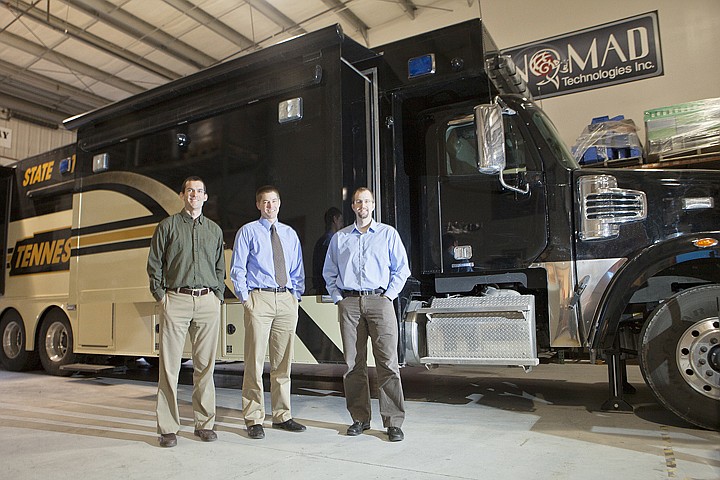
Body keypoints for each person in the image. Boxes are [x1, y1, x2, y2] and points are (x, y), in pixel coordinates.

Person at [323, 187, 410, 442]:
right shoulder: (340, 238)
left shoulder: (387, 234)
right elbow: (329, 272)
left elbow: (401, 270)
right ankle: (360, 419)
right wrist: (339, 299)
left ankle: (393, 422)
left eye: (367, 201)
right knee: (352, 364)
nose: (363, 205)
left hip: (380, 301)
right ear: (352, 206)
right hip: (349, 302)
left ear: (373, 205)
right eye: (358, 201)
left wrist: (388, 296)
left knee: (388, 362)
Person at [147, 176, 226, 448]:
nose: (194, 195)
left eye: (200, 191)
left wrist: (217, 296)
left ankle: (204, 424)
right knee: (169, 367)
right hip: (176, 301)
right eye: (190, 190)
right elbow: (154, 264)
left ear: (206, 197)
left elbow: (219, 267)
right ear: (182, 195)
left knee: (206, 367)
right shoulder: (167, 226)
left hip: (207, 302)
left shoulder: (214, 230)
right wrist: (162, 297)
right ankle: (168, 428)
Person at [230, 185, 306, 440]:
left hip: (285, 298)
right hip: (259, 298)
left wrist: (295, 295)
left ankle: (282, 415)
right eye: (265, 202)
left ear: (279, 204)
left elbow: (297, 268)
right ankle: (254, 418)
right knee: (254, 362)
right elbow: (237, 268)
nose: (269, 206)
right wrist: (246, 299)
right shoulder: (248, 232)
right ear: (258, 205)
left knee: (283, 361)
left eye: (273, 201)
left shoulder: (289, 233)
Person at [311, 207, 343, 294]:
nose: (342, 225)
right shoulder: (330, 242)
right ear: (335, 219)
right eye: (341, 221)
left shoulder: (321, 241)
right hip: (328, 290)